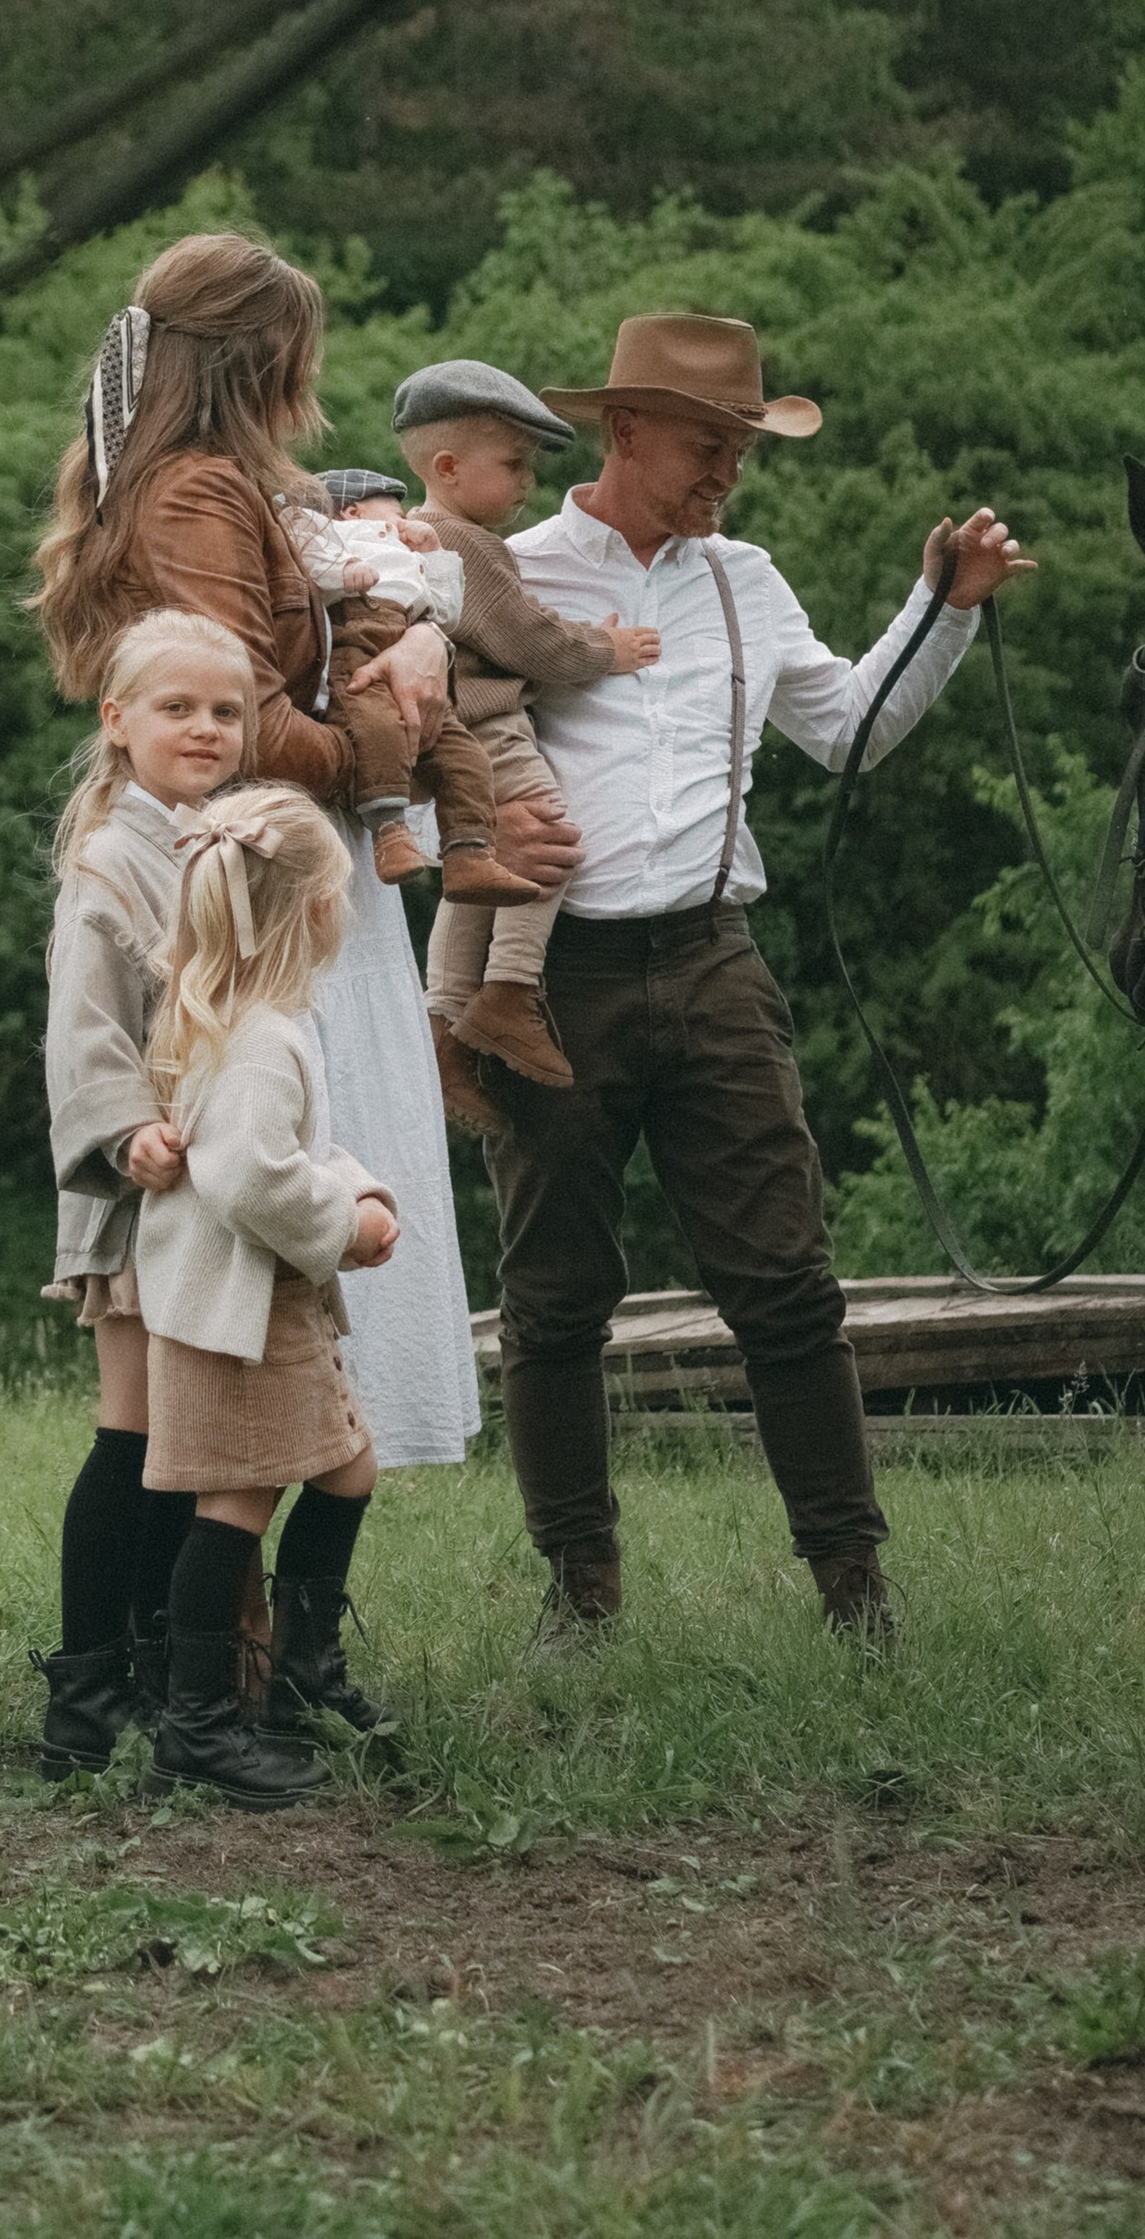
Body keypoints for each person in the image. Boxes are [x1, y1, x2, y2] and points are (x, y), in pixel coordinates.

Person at [491, 311, 1033, 1641]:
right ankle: (581, 1595)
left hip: (714, 958)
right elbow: (432, 736)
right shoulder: (508, 575)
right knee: (557, 1299)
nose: (724, 473)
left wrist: (940, 612)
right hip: (553, 970)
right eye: (704, 445)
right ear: (625, 429)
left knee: (788, 1288)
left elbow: (847, 734)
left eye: (740, 449)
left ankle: (857, 1593)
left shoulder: (747, 577)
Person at [30, 230, 574, 1464]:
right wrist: (382, 748)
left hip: (287, 859)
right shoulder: (195, 493)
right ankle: (232, 1619)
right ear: (249, 360)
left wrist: (421, 651)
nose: (305, 384)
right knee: (265, 1217)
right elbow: (243, 722)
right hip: (256, 865)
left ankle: (263, 1601)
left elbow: (329, 633)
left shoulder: (225, 483)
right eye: (292, 357)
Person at [134, 782, 396, 1808]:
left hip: (264, 1305)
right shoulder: (260, 1038)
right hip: (238, 1314)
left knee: (345, 1468)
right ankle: (198, 1724)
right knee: (237, 1501)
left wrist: (354, 1189)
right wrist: (340, 1225)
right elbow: (248, 1178)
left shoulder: (249, 1021)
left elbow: (285, 1150)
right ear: (316, 912)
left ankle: (302, 1675)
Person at [34, 606, 247, 1779]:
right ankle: (84, 1693)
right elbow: (85, 1032)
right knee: (138, 1431)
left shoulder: (228, 840)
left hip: (212, 1188)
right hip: (137, 1186)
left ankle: (169, 1672)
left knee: (188, 1437)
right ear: (117, 722)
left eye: (225, 710)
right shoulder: (114, 857)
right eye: (177, 708)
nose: (205, 728)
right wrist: (127, 1134)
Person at [391, 362, 664, 1112]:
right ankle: (509, 990)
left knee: (478, 873)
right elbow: (528, 642)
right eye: (512, 465)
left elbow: (489, 650)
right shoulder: (466, 546)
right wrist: (608, 651)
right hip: (491, 735)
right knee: (551, 839)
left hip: (448, 738)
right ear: (447, 467)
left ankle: (444, 1020)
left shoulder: (406, 543)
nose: (526, 485)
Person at [282, 465, 544, 900]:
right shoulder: (329, 535)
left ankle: (470, 852)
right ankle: (389, 830)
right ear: (351, 511)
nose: (407, 520)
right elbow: (296, 537)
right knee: (374, 727)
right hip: (354, 643)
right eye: (395, 510)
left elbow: (447, 612)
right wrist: (341, 572)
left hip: (407, 631)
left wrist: (436, 553)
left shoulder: (409, 558)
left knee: (465, 756)